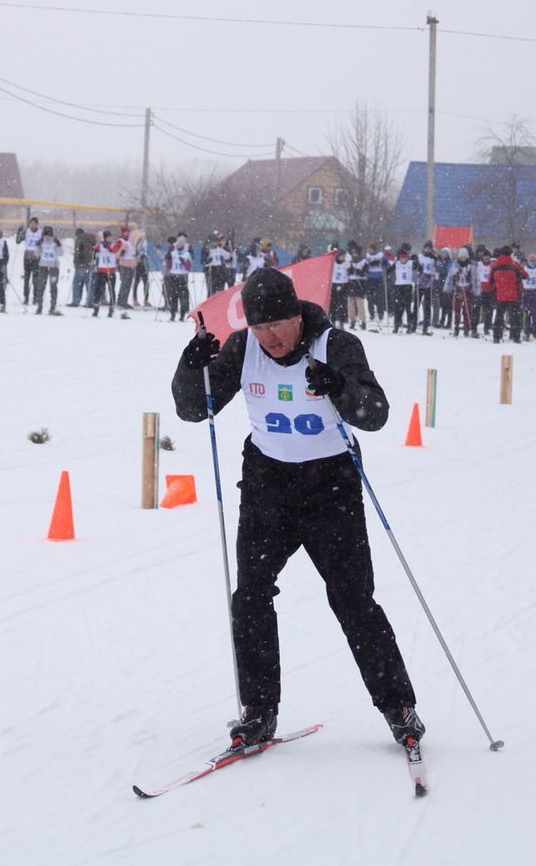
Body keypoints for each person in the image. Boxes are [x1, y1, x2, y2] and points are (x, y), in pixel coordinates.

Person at [171, 267, 424, 751]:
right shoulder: (244, 348)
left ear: (295, 316)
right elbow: (193, 408)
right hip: (269, 488)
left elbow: (375, 414)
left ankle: (399, 707)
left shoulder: (336, 345)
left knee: (352, 600)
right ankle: (259, 711)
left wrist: (338, 387)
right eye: (260, 328)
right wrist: (191, 365)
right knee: (250, 597)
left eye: (277, 326)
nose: (269, 338)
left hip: (332, 489)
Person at [489, 246, 527, 344]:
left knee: (499, 316)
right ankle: (516, 336)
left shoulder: (495, 266)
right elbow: (526, 275)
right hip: (513, 295)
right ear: (510, 254)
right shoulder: (515, 265)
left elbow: (490, 281)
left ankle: (497, 336)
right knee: (515, 317)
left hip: (500, 295)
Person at [33, 226, 62, 315]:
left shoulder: (55, 243)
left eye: (49, 235)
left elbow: (61, 253)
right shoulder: (42, 243)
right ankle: (40, 306)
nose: (47, 237)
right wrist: (38, 246)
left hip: (54, 266)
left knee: (53, 286)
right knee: (41, 286)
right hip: (43, 266)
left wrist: (59, 245)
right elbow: (37, 254)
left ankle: (52, 306)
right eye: (45, 235)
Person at [91, 231, 119, 318]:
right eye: (109, 237)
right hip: (101, 270)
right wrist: (94, 255)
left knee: (111, 290)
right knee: (98, 290)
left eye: (111, 237)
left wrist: (109, 247)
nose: (110, 239)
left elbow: (115, 250)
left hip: (111, 271)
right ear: (105, 237)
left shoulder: (114, 244)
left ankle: (111, 309)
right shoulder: (101, 245)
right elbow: (94, 250)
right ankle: (96, 309)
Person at [15, 217, 42, 307]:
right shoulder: (26, 232)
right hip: (27, 257)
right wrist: (19, 232)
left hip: (37, 257)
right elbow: (18, 241)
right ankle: (26, 298)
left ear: (37, 225)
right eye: (32, 223)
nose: (33, 225)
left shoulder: (40, 232)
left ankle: (35, 297)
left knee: (36, 279)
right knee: (26, 279)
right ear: (29, 224)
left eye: (35, 224)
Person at [392, 244, 417, 333]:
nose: (403, 259)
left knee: (407, 307)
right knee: (398, 307)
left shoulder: (410, 263)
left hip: (407, 286)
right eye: (401, 257)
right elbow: (388, 270)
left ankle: (409, 325)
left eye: (405, 257)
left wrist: (416, 260)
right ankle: (397, 325)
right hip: (398, 286)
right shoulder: (396, 263)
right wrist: (384, 265)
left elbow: (418, 268)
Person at [70, 228, 95, 307]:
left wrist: (76, 263)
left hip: (81, 265)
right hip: (89, 266)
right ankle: (90, 302)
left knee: (77, 285)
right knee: (89, 285)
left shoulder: (79, 239)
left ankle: (76, 301)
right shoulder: (91, 240)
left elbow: (78, 253)